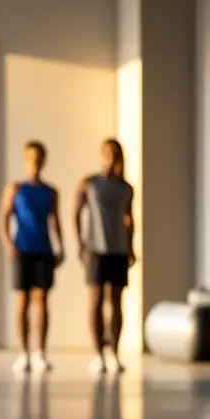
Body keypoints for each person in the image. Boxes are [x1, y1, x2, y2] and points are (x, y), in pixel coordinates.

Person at [0, 141, 63, 374]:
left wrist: (60, 246)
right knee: (22, 302)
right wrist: (8, 244)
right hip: (22, 249)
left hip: (43, 250)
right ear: (26, 159)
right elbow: (3, 218)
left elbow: (55, 220)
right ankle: (24, 353)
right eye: (32, 157)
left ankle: (41, 353)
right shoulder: (15, 189)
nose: (35, 161)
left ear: (43, 160)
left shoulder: (50, 192)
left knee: (42, 300)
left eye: (39, 157)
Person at [74, 138, 136, 375]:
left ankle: (114, 353)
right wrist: (81, 242)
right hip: (95, 249)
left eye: (114, 154)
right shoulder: (90, 184)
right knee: (96, 301)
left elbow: (130, 220)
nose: (110, 158)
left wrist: (131, 247)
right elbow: (76, 211)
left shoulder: (125, 188)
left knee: (117, 301)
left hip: (118, 248)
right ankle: (98, 353)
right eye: (107, 153)